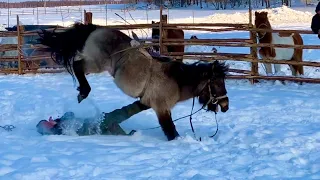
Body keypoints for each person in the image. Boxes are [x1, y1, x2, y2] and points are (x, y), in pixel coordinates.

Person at [36, 100, 150, 136]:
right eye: (45, 124)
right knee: (115, 116)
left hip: (95, 124)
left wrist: (57, 120)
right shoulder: (58, 131)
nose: (47, 123)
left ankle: (145, 103)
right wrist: (56, 123)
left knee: (112, 122)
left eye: (45, 121)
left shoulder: (60, 124)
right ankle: (146, 102)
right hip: (94, 126)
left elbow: (70, 114)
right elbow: (67, 127)